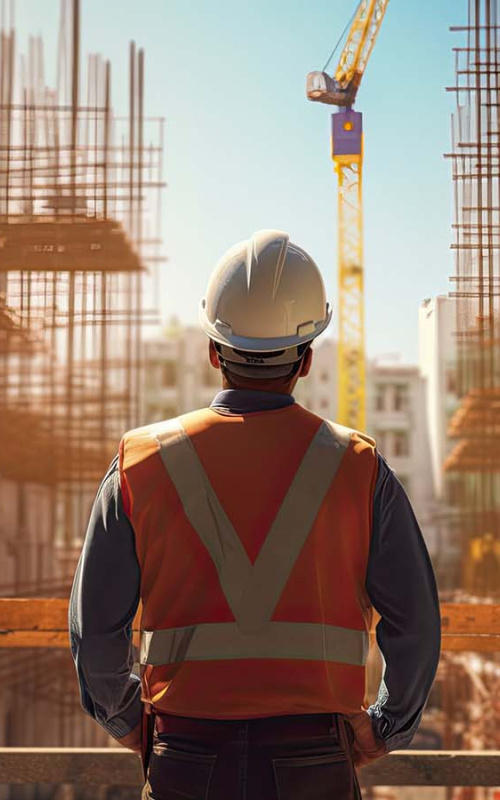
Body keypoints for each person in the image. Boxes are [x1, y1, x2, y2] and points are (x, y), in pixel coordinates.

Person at [69, 229, 441, 800]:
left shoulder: (139, 464)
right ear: (309, 359)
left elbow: (95, 628)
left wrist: (129, 722)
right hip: (315, 759)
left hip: (184, 755)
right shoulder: (361, 468)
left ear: (213, 351)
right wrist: (385, 725)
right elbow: (415, 621)